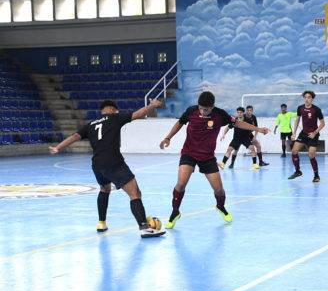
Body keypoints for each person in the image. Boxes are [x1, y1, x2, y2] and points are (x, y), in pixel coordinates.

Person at [49, 99, 165, 238]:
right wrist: (153, 105)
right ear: (112, 109)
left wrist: (58, 147)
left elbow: (74, 136)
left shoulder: (90, 124)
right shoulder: (114, 117)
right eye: (116, 111)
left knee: (105, 189)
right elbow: (138, 114)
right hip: (113, 162)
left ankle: (101, 223)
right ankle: (144, 228)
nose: (117, 112)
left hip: (97, 165)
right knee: (135, 194)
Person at [159, 91, 269, 229]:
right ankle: (175, 212)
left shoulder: (220, 115)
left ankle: (220, 206)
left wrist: (257, 128)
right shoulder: (191, 111)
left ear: (212, 107)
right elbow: (180, 123)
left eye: (206, 109)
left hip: (207, 157)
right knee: (180, 184)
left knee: (219, 190)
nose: (203, 111)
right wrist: (167, 138)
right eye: (200, 108)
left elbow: (238, 123)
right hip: (189, 153)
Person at [288, 91, 325, 183]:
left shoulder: (316, 109)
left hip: (313, 134)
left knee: (311, 154)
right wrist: (294, 132)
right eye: (305, 97)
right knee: (294, 151)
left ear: (312, 99)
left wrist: (315, 132)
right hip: (303, 133)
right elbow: (297, 120)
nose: (306, 99)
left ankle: (316, 176)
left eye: (309, 97)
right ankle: (297, 171)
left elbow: (322, 123)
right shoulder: (300, 108)